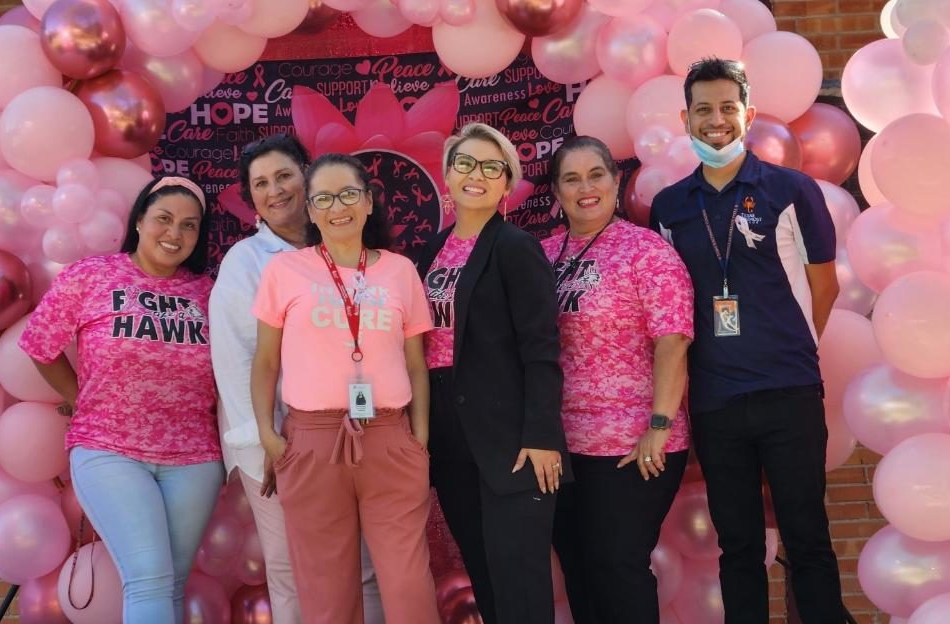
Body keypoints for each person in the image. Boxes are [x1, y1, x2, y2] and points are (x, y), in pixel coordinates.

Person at [649, 57, 845, 624]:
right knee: (738, 548)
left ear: (748, 115)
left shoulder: (792, 190)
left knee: (807, 539)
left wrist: (792, 352)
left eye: (727, 108)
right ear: (685, 118)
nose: (716, 120)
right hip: (715, 401)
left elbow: (823, 287)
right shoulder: (670, 208)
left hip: (789, 393)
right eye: (703, 109)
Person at [19, 177, 224, 623]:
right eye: (164, 219)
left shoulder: (208, 294)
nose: (175, 234)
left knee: (170, 584)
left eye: (189, 226)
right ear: (140, 221)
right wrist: (80, 396)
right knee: (149, 575)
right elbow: (39, 344)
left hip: (194, 458)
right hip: (109, 448)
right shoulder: (92, 275)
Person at [250, 154, 439, 624]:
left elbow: (416, 364)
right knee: (325, 588)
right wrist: (270, 438)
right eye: (325, 198)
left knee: (407, 581)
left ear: (369, 202)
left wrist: (419, 439)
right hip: (313, 441)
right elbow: (266, 361)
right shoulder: (285, 271)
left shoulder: (399, 271)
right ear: (310, 211)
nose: (339, 207)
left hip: (390, 438)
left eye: (349, 194)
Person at [210, 135, 383, 623]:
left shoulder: (346, 244)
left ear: (307, 175)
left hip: (349, 432)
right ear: (252, 199)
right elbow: (236, 357)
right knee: (289, 568)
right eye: (260, 184)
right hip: (276, 441)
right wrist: (263, 437)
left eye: (284, 175)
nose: (275, 190)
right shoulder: (245, 262)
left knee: (361, 563)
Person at [416, 122, 569, 624]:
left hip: (512, 437)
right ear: (447, 176)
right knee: (484, 575)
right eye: (464, 163)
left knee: (519, 578)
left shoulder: (514, 246)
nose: (475, 174)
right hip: (450, 432)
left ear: (506, 184)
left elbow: (542, 347)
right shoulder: (429, 252)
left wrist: (543, 434)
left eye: (490, 166)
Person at [542, 136, 694, 624]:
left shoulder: (646, 251)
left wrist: (659, 424)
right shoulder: (540, 256)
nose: (586, 188)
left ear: (615, 181)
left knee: (618, 563)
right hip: (562, 448)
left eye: (596, 175)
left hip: (634, 443)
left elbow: (673, 341)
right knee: (581, 569)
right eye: (571, 178)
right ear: (556, 191)